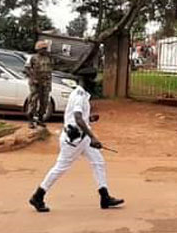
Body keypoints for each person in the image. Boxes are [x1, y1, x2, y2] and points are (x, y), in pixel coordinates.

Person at [29, 79, 124, 212]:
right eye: (92, 80)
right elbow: (77, 118)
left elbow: (75, 117)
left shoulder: (80, 94)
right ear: (85, 81)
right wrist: (92, 137)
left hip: (82, 138)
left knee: (98, 162)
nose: (95, 83)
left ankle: (105, 197)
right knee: (60, 168)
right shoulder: (79, 96)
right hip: (74, 141)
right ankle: (38, 196)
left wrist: (89, 118)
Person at [24, 39, 53, 128]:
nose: (44, 50)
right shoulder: (33, 58)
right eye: (43, 48)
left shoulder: (48, 58)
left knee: (44, 101)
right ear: (38, 49)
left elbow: (50, 70)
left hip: (45, 83)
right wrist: (34, 78)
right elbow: (27, 69)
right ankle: (30, 120)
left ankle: (40, 119)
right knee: (33, 101)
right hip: (35, 83)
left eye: (45, 48)